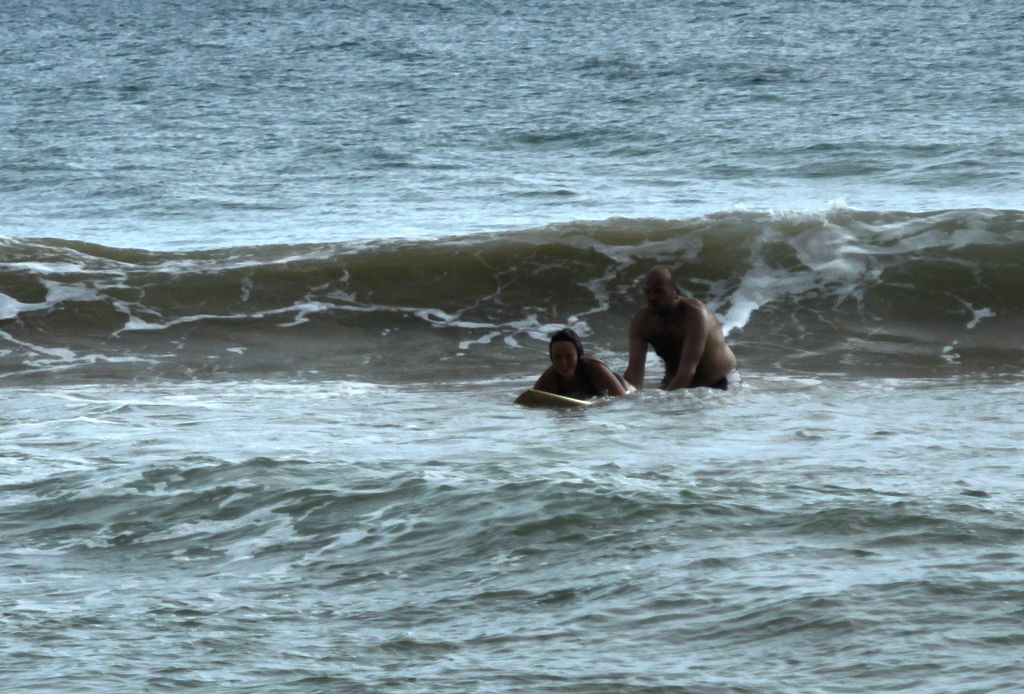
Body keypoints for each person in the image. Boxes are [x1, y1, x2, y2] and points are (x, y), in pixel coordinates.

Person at [624, 266, 740, 391]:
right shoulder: (641, 322)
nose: (652, 297)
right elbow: (634, 373)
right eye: (648, 292)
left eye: (659, 291)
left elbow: (688, 370)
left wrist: (667, 401)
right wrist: (627, 402)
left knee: (671, 405)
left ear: (676, 293)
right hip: (674, 380)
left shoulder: (695, 315)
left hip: (720, 380)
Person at [533, 328, 630, 399]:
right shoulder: (550, 376)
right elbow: (530, 400)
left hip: (625, 388)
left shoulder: (596, 369)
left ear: (578, 356)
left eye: (569, 356)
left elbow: (623, 401)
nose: (563, 363)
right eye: (557, 357)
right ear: (551, 359)